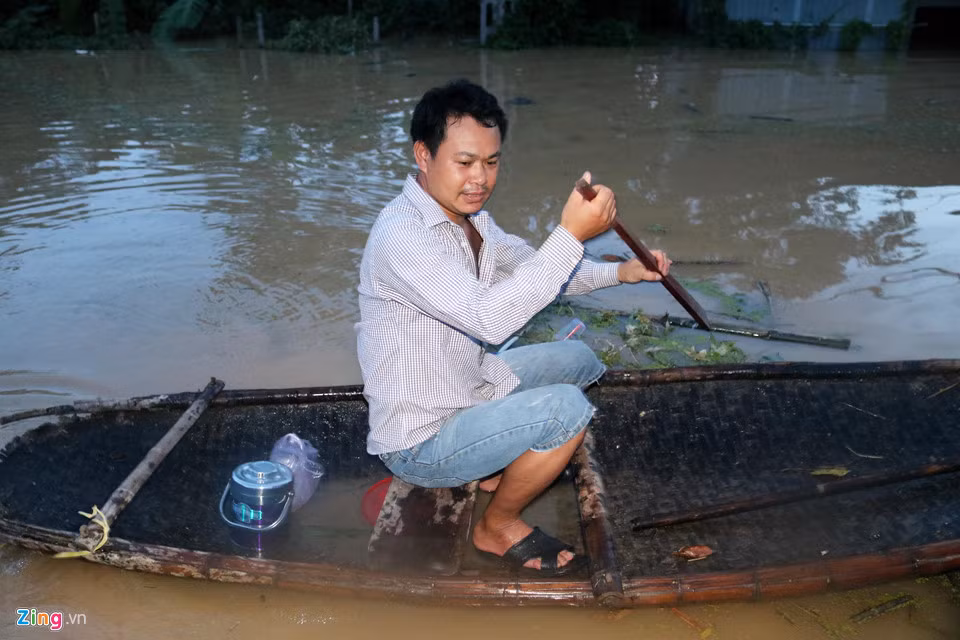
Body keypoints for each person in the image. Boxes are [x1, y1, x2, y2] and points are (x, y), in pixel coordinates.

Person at [356, 79, 670, 575]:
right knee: (568, 409)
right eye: (464, 163)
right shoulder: (403, 237)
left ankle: (494, 469)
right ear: (423, 154)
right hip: (421, 436)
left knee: (581, 360)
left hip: (470, 386)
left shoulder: (473, 220)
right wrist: (570, 232)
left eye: (492, 161)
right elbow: (490, 317)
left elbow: (536, 270)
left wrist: (624, 272)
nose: (480, 178)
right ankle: (497, 524)